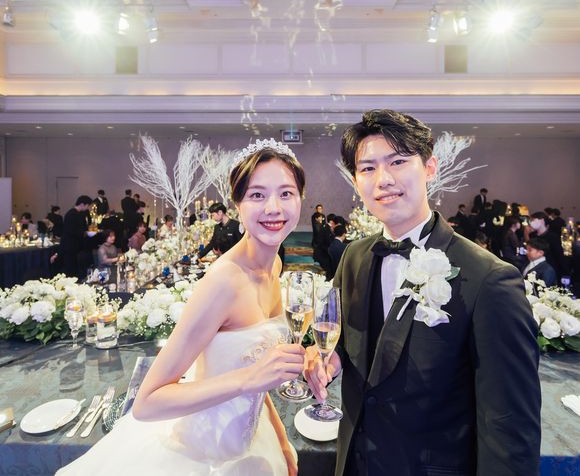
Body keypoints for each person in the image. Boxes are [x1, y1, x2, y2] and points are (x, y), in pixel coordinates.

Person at [304, 109, 540, 476]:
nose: (383, 179)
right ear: (356, 181)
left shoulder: (489, 279)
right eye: (367, 168)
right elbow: (344, 337)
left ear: (430, 167)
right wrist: (328, 357)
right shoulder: (353, 257)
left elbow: (509, 431)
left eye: (398, 161)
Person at [56, 139, 306, 475]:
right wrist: (249, 378)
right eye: (257, 195)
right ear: (237, 205)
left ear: (301, 199)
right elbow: (147, 403)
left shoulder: (274, 265)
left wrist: (282, 440)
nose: (274, 208)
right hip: (203, 453)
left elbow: (258, 372)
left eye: (286, 193)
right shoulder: (223, 282)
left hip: (251, 437)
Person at [60, 195, 93, 277]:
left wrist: (87, 232)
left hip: (77, 245)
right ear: (82, 204)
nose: (88, 208)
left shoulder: (81, 214)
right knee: (71, 269)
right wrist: (85, 233)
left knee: (77, 268)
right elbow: (71, 231)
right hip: (70, 246)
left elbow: (83, 227)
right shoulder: (71, 214)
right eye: (87, 205)